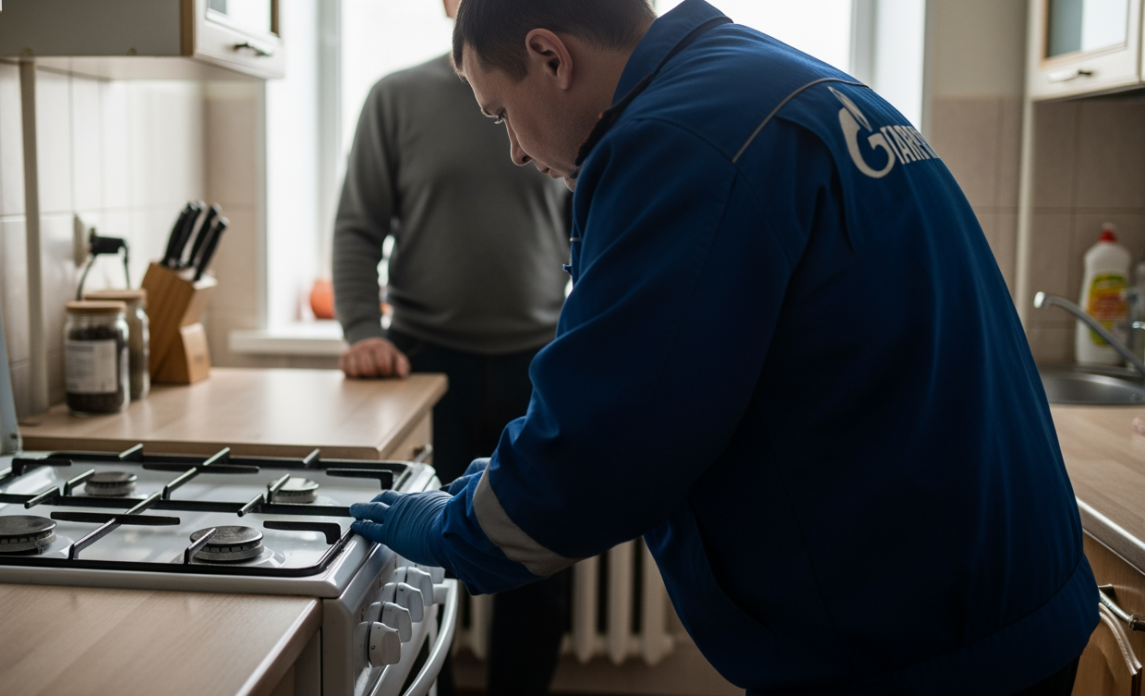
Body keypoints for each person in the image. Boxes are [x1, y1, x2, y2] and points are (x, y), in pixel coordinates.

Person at [350, 1, 1100, 694]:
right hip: (1008, 596)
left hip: (922, 648)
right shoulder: (766, 81)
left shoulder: (673, 141)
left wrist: (455, 531)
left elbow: (609, 447)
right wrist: (507, 472)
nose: (513, 150)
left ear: (551, 58)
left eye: (500, 114)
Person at [331, 1, 573, 694]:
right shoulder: (397, 97)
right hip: (426, 367)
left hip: (539, 364)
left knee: (539, 570)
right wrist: (361, 333)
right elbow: (357, 228)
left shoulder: (560, 95)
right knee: (414, 574)